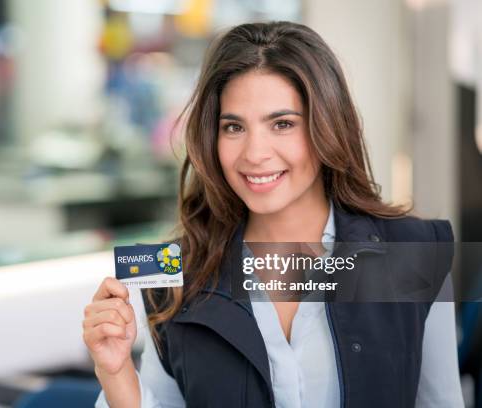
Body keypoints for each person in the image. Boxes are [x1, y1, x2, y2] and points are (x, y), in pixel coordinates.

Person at [83, 21, 464, 407]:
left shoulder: (413, 253)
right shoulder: (172, 273)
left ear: (327, 126)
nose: (254, 153)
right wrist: (115, 374)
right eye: (234, 127)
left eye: (282, 124)